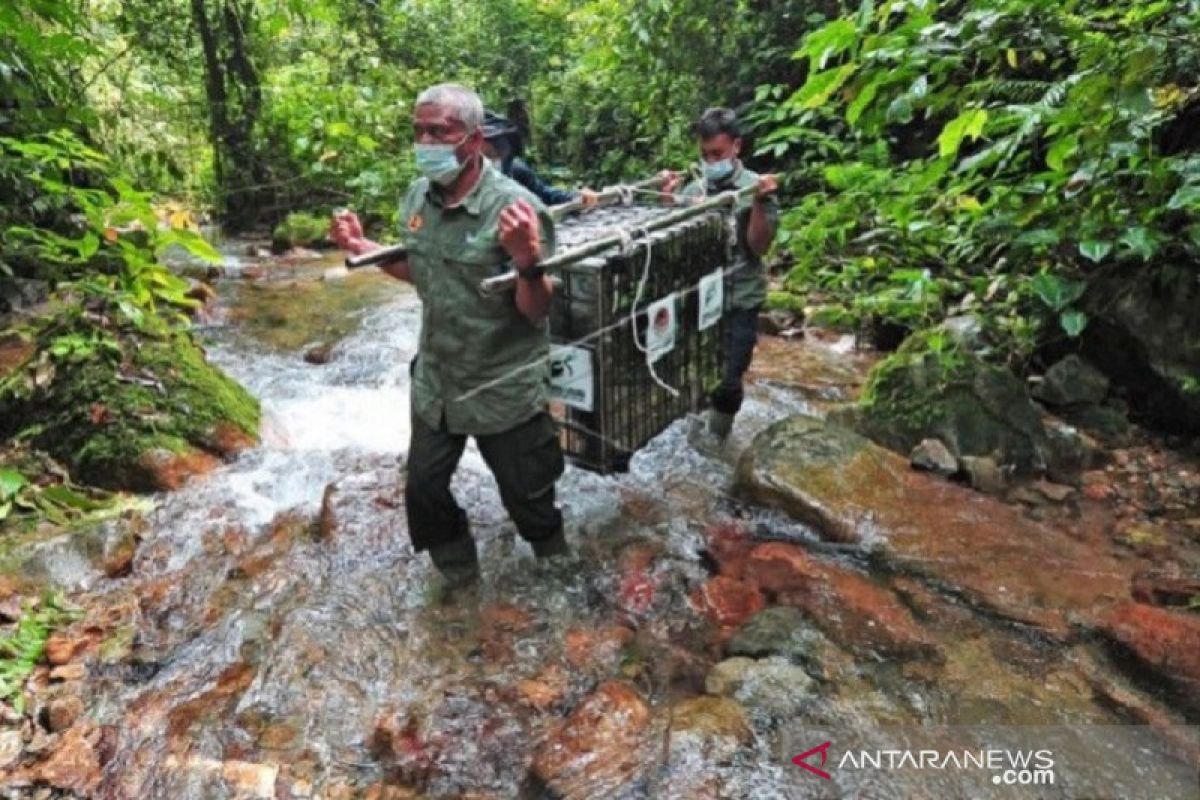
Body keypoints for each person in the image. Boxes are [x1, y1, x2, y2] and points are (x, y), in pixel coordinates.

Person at [330, 84, 569, 590]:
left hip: (500, 383)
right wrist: (363, 247)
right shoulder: (419, 196)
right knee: (423, 488)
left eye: (440, 131)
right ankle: (460, 582)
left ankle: (559, 576)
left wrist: (526, 260)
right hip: (438, 379)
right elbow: (424, 270)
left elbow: (536, 310)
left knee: (529, 500)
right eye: (419, 130)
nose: (426, 140)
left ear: (474, 138)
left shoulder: (517, 209)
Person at [660, 107, 779, 443]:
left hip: (741, 297)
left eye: (718, 154)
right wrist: (670, 202)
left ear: (736, 147)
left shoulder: (756, 186)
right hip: (698, 299)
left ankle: (718, 444)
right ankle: (694, 437)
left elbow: (759, 246)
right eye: (705, 154)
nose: (712, 162)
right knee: (694, 374)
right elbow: (672, 248)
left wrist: (757, 203)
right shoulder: (692, 186)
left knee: (728, 381)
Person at [480, 111, 598, 209]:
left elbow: (542, 194)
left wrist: (575, 197)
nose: (492, 160)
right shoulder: (463, 182)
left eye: (497, 152)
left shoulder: (515, 171)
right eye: (486, 154)